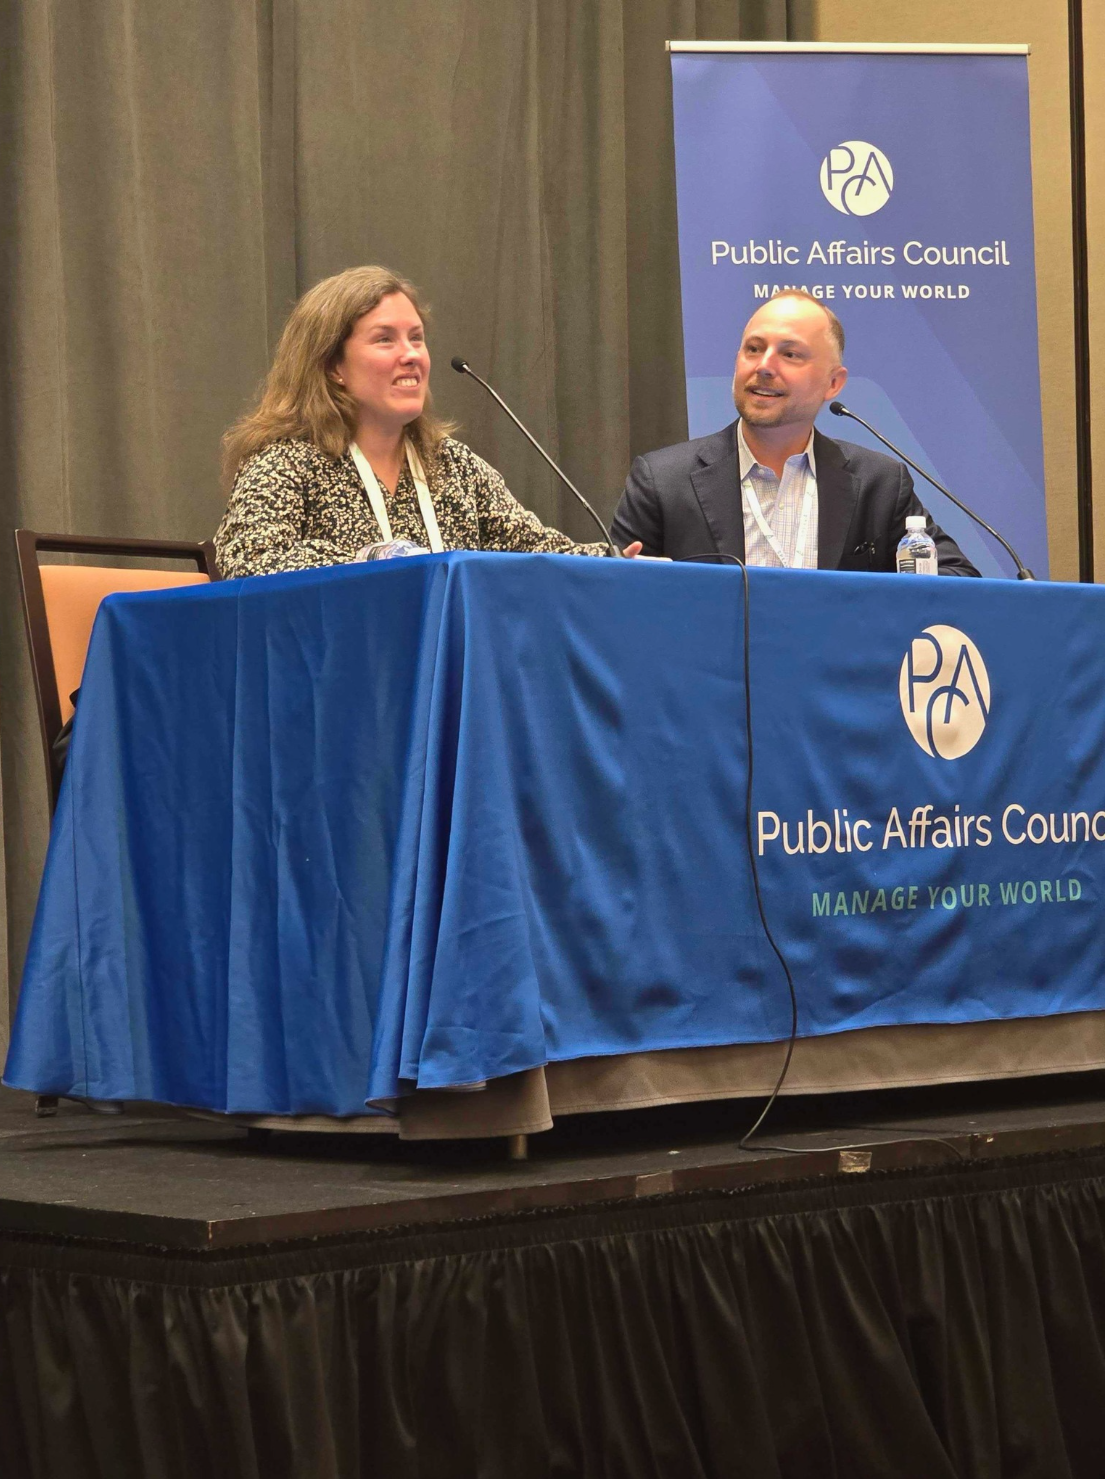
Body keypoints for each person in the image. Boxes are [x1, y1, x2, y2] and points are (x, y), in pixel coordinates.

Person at [216, 266, 640, 576]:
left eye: (416, 338)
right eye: (385, 339)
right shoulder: (286, 461)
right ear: (332, 366)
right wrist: (376, 561)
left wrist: (615, 564)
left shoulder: (453, 464)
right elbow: (249, 559)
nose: (412, 355)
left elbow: (531, 550)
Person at [611, 290, 979, 576]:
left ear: (833, 383)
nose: (765, 366)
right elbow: (607, 600)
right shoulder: (662, 481)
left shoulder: (878, 484)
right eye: (753, 349)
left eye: (791, 355)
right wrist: (626, 582)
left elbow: (956, 578)